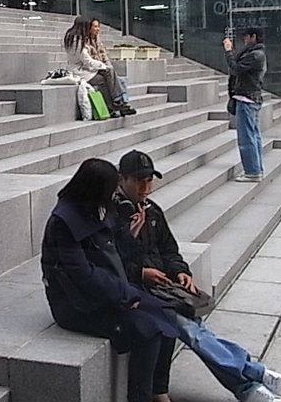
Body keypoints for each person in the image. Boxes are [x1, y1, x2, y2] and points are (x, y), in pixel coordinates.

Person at [112, 150, 281, 402]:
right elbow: (109, 264)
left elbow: (169, 250)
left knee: (195, 329)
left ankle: (251, 386)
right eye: (139, 181)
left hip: (164, 288)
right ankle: (253, 378)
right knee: (191, 329)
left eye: (150, 180)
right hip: (137, 291)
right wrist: (141, 272)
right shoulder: (113, 216)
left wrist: (181, 272)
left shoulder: (152, 211)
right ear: (122, 180)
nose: (146, 187)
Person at [41, 158, 178, 402]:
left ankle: (159, 392)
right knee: (148, 330)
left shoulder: (97, 207)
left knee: (167, 314)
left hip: (111, 291)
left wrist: (132, 234)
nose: (114, 194)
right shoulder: (63, 222)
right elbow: (83, 275)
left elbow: (119, 244)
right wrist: (126, 295)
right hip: (76, 304)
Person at [64, 17, 137, 116]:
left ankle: (116, 104)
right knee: (105, 78)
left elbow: (102, 55)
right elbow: (87, 61)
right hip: (80, 72)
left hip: (87, 69)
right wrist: (103, 66)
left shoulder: (80, 39)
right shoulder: (76, 41)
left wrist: (105, 66)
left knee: (110, 75)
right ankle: (118, 103)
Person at [224, 27, 267, 182]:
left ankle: (252, 171)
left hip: (247, 99)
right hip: (249, 99)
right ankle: (256, 169)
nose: (244, 40)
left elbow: (235, 69)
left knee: (247, 137)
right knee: (253, 135)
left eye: (246, 37)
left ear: (253, 37)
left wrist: (228, 51)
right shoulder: (255, 54)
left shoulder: (255, 56)